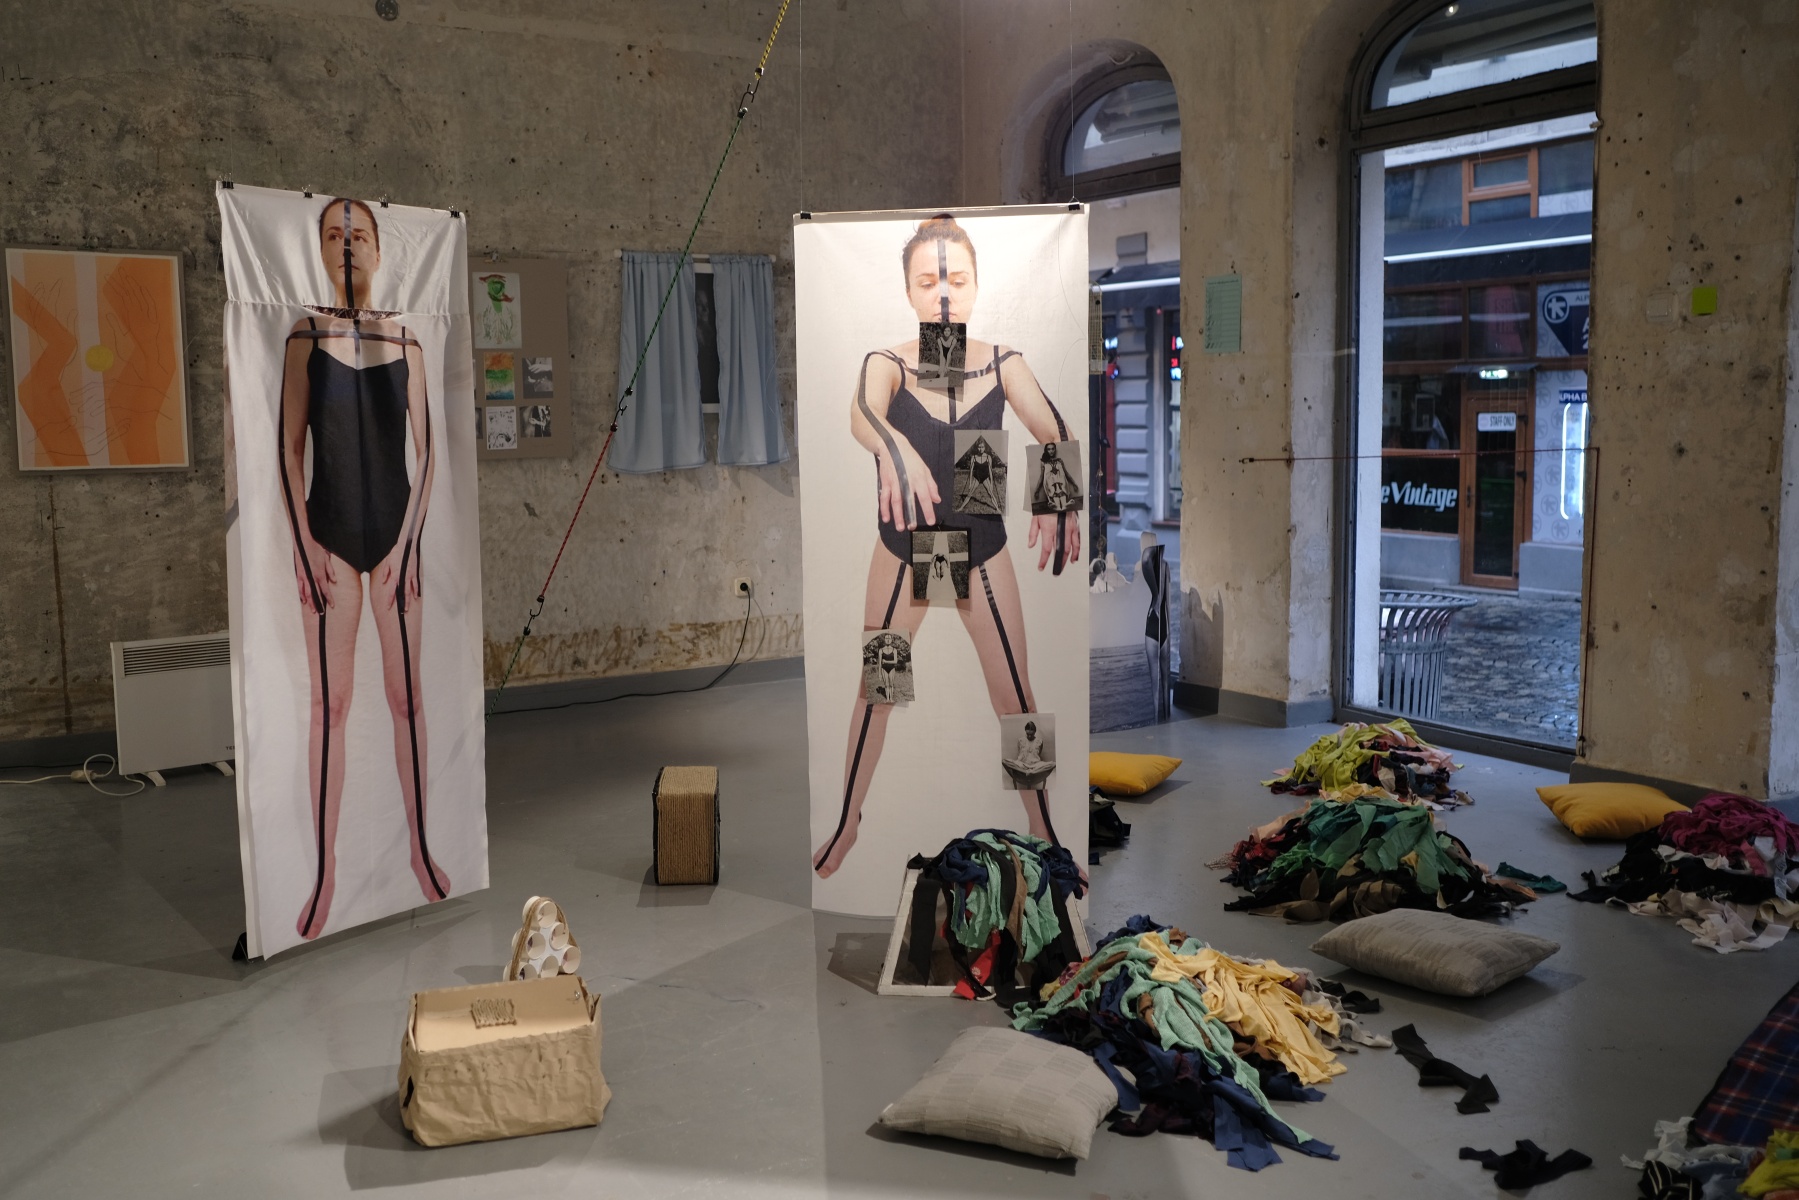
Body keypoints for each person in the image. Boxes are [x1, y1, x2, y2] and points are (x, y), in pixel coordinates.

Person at [813, 214, 1080, 878]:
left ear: (975, 286)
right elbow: (861, 413)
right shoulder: (888, 364)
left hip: (979, 548)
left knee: (1016, 699)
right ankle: (848, 820)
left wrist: (1058, 495)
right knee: (878, 688)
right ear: (908, 290)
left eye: (956, 280)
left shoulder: (1001, 363)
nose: (942, 295)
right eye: (928, 281)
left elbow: (1054, 429)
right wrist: (894, 447)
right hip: (906, 550)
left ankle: (1044, 828)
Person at [278, 197, 445, 939]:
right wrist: (303, 543)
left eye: (358, 234)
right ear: (321, 250)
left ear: (378, 249)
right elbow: (288, 449)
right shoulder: (304, 335)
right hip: (332, 541)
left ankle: (420, 849)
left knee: (407, 700)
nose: (347, 244)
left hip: (396, 542)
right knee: (331, 706)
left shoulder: (405, 340)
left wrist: (409, 544)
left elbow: (428, 452)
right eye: (334, 234)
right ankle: (325, 873)